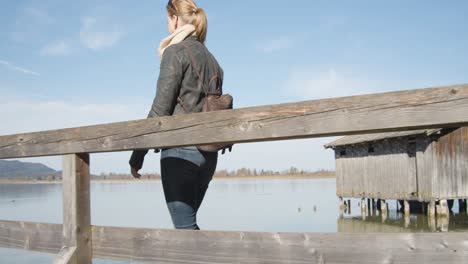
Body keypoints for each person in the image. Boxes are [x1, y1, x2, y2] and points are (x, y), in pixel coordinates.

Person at [129, 0, 223, 230]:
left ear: (175, 19)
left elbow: (159, 111)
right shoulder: (213, 61)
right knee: (188, 228)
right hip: (208, 156)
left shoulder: (174, 52)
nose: (167, 24)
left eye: (167, 19)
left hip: (180, 153)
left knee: (185, 232)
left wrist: (137, 156)